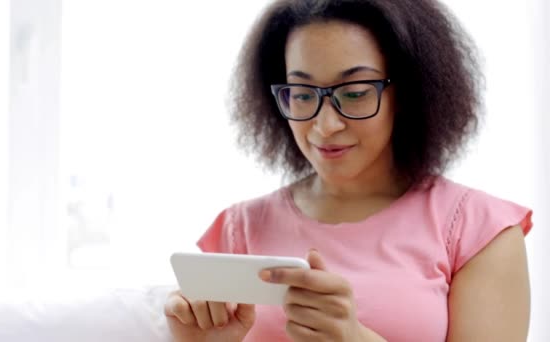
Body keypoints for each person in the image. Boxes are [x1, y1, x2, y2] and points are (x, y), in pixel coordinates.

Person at [164, 0, 533, 341]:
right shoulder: (238, 229)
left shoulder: (478, 231)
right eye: (303, 93)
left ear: (407, 93)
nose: (325, 126)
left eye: (354, 92)